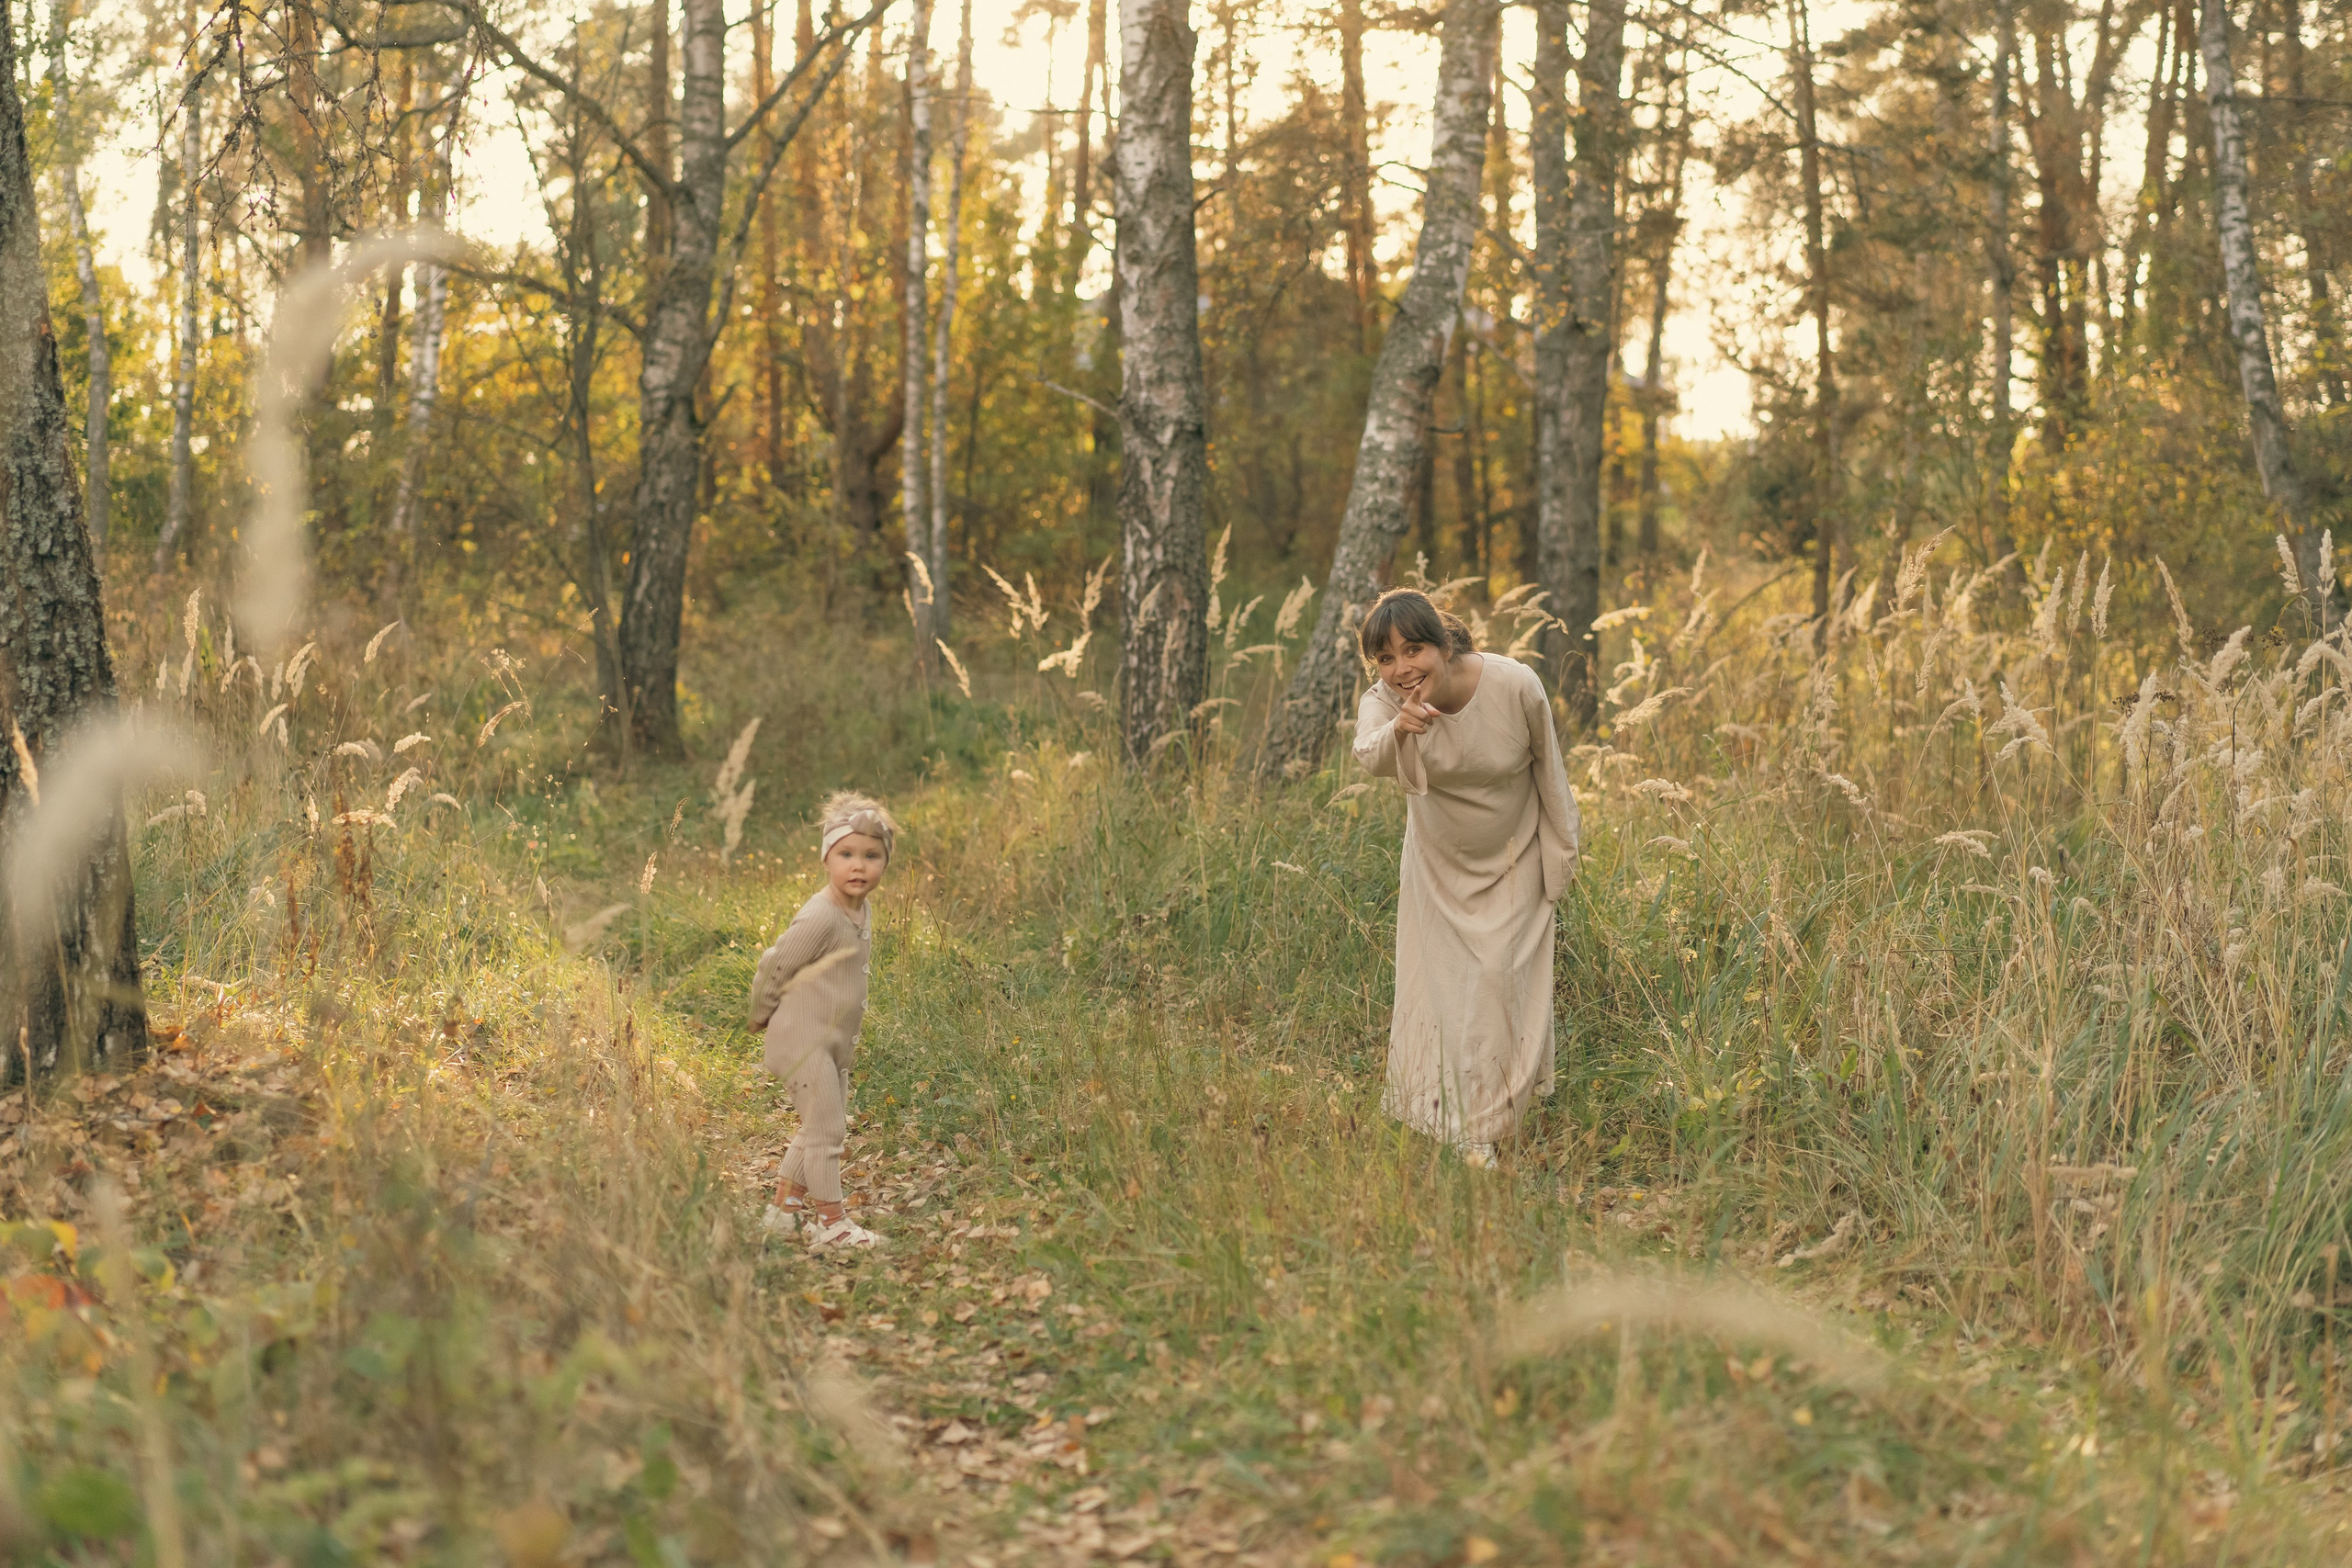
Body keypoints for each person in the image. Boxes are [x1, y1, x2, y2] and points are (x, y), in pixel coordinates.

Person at [1351, 588, 1580, 1165]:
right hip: (1437, 867)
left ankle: (1488, 1120)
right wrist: (1401, 728)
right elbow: (1369, 754)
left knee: (1500, 987)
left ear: (1444, 645)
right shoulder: (1385, 701)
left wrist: (1563, 852)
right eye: (1385, 657)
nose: (1402, 669)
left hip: (1515, 860)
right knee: (1443, 996)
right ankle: (1452, 1122)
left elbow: (1551, 773)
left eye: (1414, 650)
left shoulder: (1514, 685)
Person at [751, 792, 897, 1248]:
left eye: (872, 856)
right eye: (846, 855)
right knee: (828, 1129)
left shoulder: (861, 908)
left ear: (884, 864)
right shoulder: (821, 915)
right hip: (802, 1040)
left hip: (832, 1037)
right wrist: (761, 1012)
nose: (859, 866)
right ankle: (832, 1223)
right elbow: (776, 962)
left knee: (818, 1124)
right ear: (826, 859)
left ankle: (783, 1212)